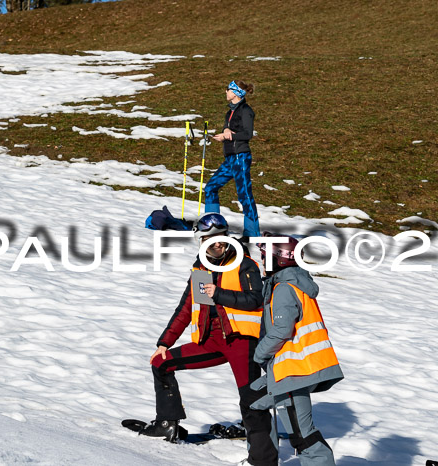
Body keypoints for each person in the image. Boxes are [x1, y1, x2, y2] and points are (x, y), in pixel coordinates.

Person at [143, 213, 278, 466]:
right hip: (212, 340)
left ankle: (262, 461)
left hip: (242, 343)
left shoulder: (244, 263)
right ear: (200, 241)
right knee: (161, 363)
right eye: (210, 240)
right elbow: (186, 308)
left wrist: (219, 294)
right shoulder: (201, 267)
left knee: (251, 402)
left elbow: (255, 300)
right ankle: (166, 424)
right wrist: (164, 343)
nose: (217, 244)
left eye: (221, 238)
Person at [252, 232, 344, 466]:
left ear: (278, 259)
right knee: (253, 403)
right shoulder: (292, 282)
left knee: (302, 435)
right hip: (290, 370)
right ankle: (262, 460)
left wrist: (260, 353)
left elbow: (281, 330)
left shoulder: (284, 287)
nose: (263, 261)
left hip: (294, 372)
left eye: (265, 256)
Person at [206, 80, 260, 241]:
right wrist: (225, 131)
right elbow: (227, 129)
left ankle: (252, 234)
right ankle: (212, 226)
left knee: (245, 195)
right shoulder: (229, 111)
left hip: (240, 157)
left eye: (228, 89)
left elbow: (248, 134)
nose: (226, 92)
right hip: (230, 158)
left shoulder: (246, 111)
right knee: (210, 187)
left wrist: (230, 135)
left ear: (236, 93)